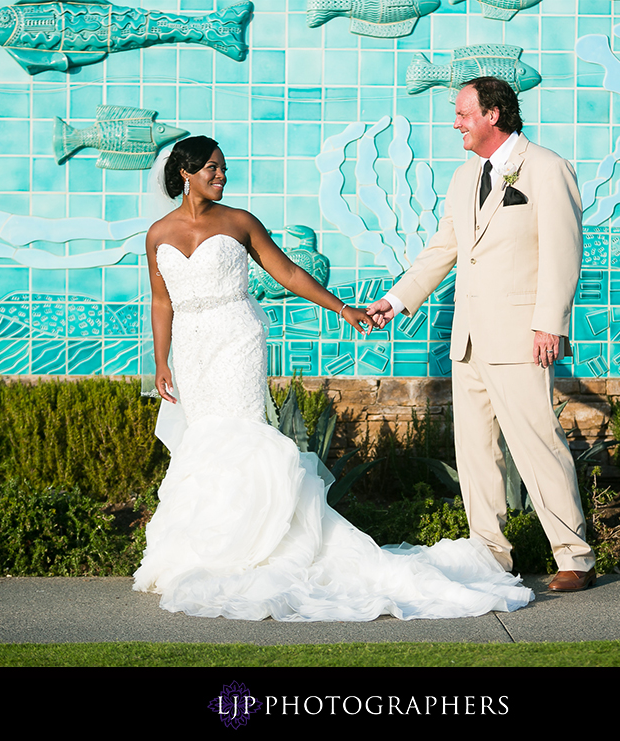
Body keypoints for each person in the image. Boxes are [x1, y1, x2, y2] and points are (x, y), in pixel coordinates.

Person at [132, 135, 535, 620]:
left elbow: (287, 272)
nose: (222, 176)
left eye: (223, 169)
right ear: (186, 173)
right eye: (214, 169)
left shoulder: (239, 223)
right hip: (192, 349)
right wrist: (161, 362)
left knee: (241, 433)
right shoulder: (158, 234)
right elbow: (161, 301)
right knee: (204, 440)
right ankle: (209, 550)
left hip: (236, 338)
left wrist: (342, 307)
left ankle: (262, 545)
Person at [367, 78, 597, 592]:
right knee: (476, 453)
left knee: (538, 445)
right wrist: (397, 298)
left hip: (521, 335)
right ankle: (492, 556)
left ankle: (575, 558)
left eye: (463, 113)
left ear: (493, 114)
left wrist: (549, 324)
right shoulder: (464, 177)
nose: (456, 123)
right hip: (468, 339)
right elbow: (444, 249)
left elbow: (564, 252)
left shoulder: (546, 168)